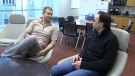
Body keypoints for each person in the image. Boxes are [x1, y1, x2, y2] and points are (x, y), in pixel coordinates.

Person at [50, 11, 119, 76]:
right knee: (53, 70)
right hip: (84, 62)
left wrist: (83, 65)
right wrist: (80, 56)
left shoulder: (112, 39)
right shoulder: (96, 34)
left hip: (95, 70)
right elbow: (87, 48)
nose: (92, 22)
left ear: (101, 24)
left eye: (94, 20)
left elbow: (106, 63)